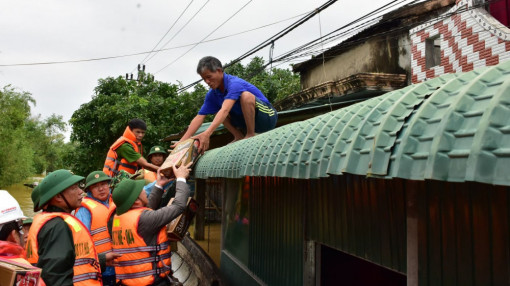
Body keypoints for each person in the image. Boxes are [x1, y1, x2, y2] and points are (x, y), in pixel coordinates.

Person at [25, 169, 120, 285]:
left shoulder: (49, 221)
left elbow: (68, 262)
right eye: (74, 188)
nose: (81, 191)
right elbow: (56, 279)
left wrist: (102, 260)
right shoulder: (57, 226)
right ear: (59, 197)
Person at [111, 162, 192, 286]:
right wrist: (181, 178)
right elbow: (179, 205)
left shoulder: (118, 219)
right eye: (141, 190)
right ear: (136, 200)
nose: (145, 191)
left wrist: (159, 185)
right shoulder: (145, 220)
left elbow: (146, 210)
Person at [175, 56, 277, 153]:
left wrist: (207, 133)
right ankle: (238, 136)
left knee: (246, 96)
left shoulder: (234, 83)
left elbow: (225, 110)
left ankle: (250, 134)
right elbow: (199, 117)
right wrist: (182, 141)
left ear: (219, 71)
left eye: (209, 77)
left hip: (267, 117)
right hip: (245, 123)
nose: (207, 81)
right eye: (204, 79)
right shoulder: (212, 94)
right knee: (217, 112)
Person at [75, 171, 117, 285]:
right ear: (89, 191)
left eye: (103, 184)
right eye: (95, 187)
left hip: (122, 267)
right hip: (102, 269)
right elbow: (81, 243)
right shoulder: (84, 210)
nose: (101, 189)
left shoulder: (117, 200)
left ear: (109, 185)